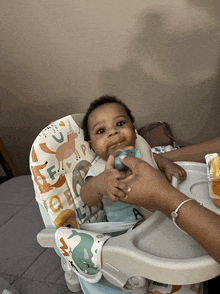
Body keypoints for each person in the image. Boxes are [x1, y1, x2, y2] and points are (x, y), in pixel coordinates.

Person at [80, 95, 186, 222]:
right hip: (129, 230)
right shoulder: (100, 171)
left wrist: (167, 164)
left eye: (120, 123)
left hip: (164, 214)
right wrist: (100, 185)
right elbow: (86, 197)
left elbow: (153, 157)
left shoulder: (140, 148)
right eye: (101, 130)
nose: (113, 132)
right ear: (93, 146)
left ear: (134, 131)